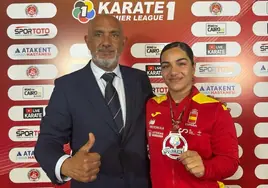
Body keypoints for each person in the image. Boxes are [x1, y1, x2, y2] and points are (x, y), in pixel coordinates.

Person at [34, 14, 153, 188]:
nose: (106, 42)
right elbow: (47, 143)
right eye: (98, 34)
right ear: (87, 41)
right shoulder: (67, 87)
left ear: (123, 41)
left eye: (114, 35)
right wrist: (67, 165)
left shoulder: (140, 80)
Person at [146, 42, 239, 188]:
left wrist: (205, 168)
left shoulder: (215, 108)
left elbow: (230, 162)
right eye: (166, 66)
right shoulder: (151, 106)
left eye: (181, 64)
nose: (173, 72)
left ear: (193, 68)